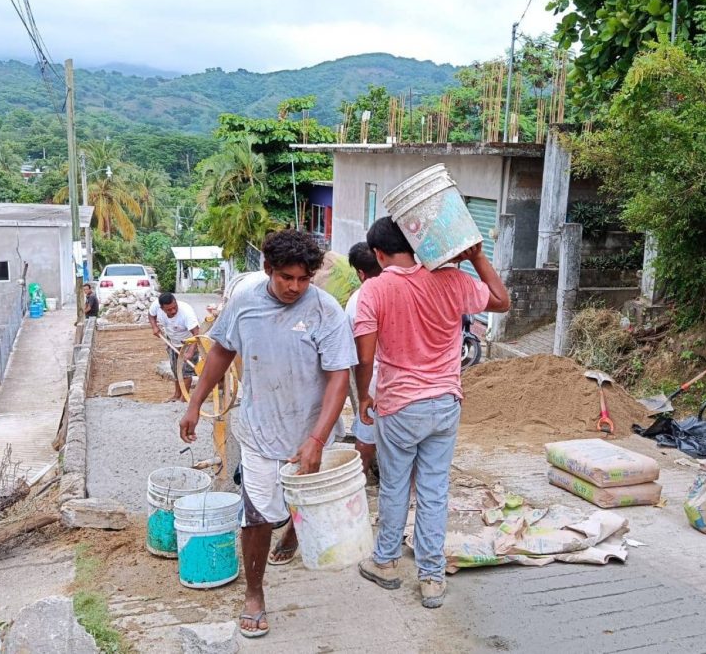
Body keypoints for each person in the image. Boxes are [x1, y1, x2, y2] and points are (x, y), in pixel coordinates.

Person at [178, 229, 356, 639]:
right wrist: (194, 404)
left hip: (312, 432)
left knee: (304, 502)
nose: (295, 287)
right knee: (256, 517)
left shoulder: (327, 312)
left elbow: (337, 379)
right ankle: (255, 594)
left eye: (304, 279)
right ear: (268, 269)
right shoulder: (244, 303)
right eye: (286, 278)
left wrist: (316, 440)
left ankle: (293, 530)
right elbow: (222, 349)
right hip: (259, 432)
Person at [353, 217, 509, 609]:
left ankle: (386, 562)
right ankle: (432, 578)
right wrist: (478, 258)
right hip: (444, 403)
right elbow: (502, 301)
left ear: (378, 253)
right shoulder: (452, 280)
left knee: (395, 487)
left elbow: (365, 356)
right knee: (434, 491)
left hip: (399, 405)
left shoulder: (375, 290)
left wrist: (362, 398)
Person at [344, 242, 382, 476]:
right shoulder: (401, 289)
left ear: (360, 273)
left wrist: (362, 392)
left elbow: (362, 356)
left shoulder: (358, 300)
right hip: (403, 380)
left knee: (366, 428)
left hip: (371, 378)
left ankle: (361, 477)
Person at [148, 292, 201, 402]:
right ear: (162, 308)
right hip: (172, 341)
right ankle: (177, 395)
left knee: (186, 372)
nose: (173, 311)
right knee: (176, 370)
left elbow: (197, 334)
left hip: (189, 342)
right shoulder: (155, 306)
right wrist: (154, 327)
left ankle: (183, 399)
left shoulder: (186, 312)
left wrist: (191, 352)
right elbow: (151, 314)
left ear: (176, 302)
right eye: (169, 310)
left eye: (174, 307)